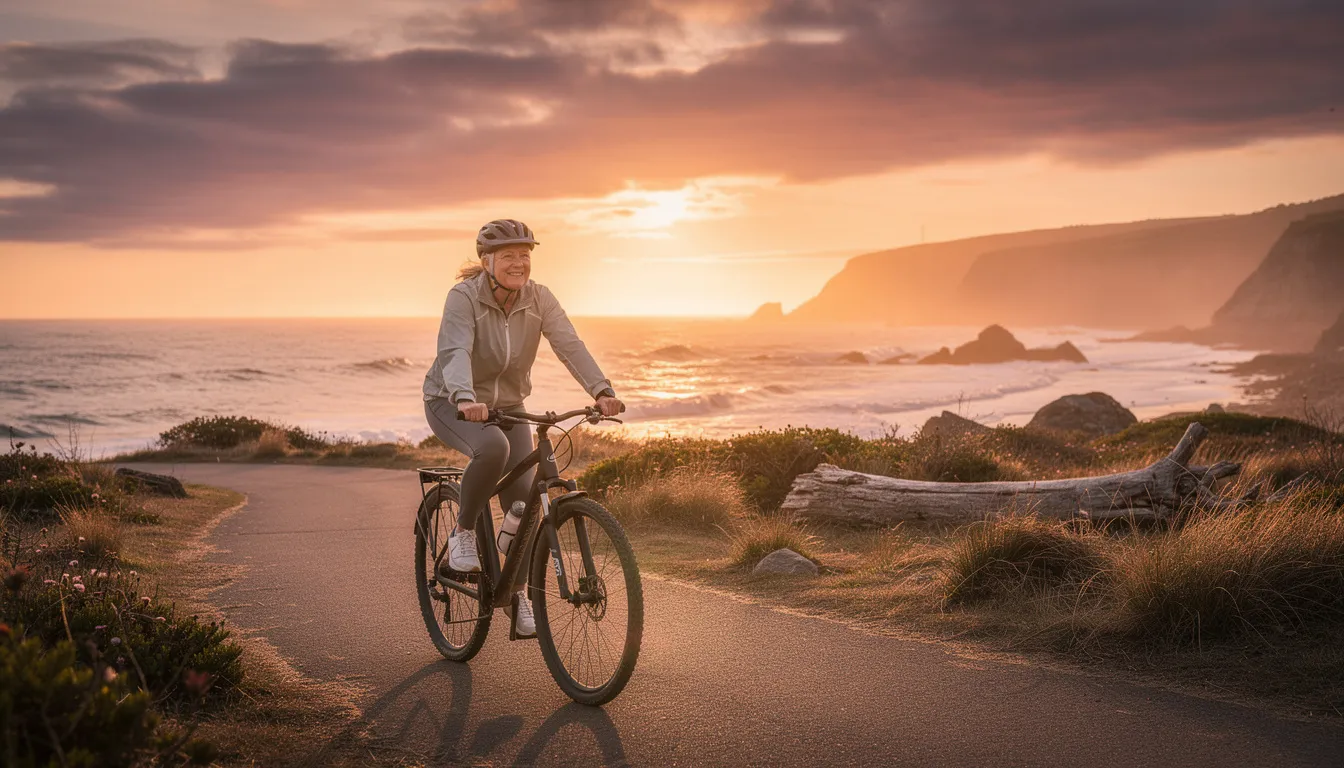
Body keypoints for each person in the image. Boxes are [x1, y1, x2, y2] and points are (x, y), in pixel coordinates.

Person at [423, 218, 623, 638]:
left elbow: (570, 344)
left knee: (524, 506)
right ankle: (462, 533)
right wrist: (464, 398)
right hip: (451, 401)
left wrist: (601, 390)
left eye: (525, 256)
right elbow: (454, 350)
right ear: (487, 261)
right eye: (509, 256)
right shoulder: (463, 297)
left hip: (509, 405)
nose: (519, 264)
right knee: (492, 449)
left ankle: (516, 595)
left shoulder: (539, 299)